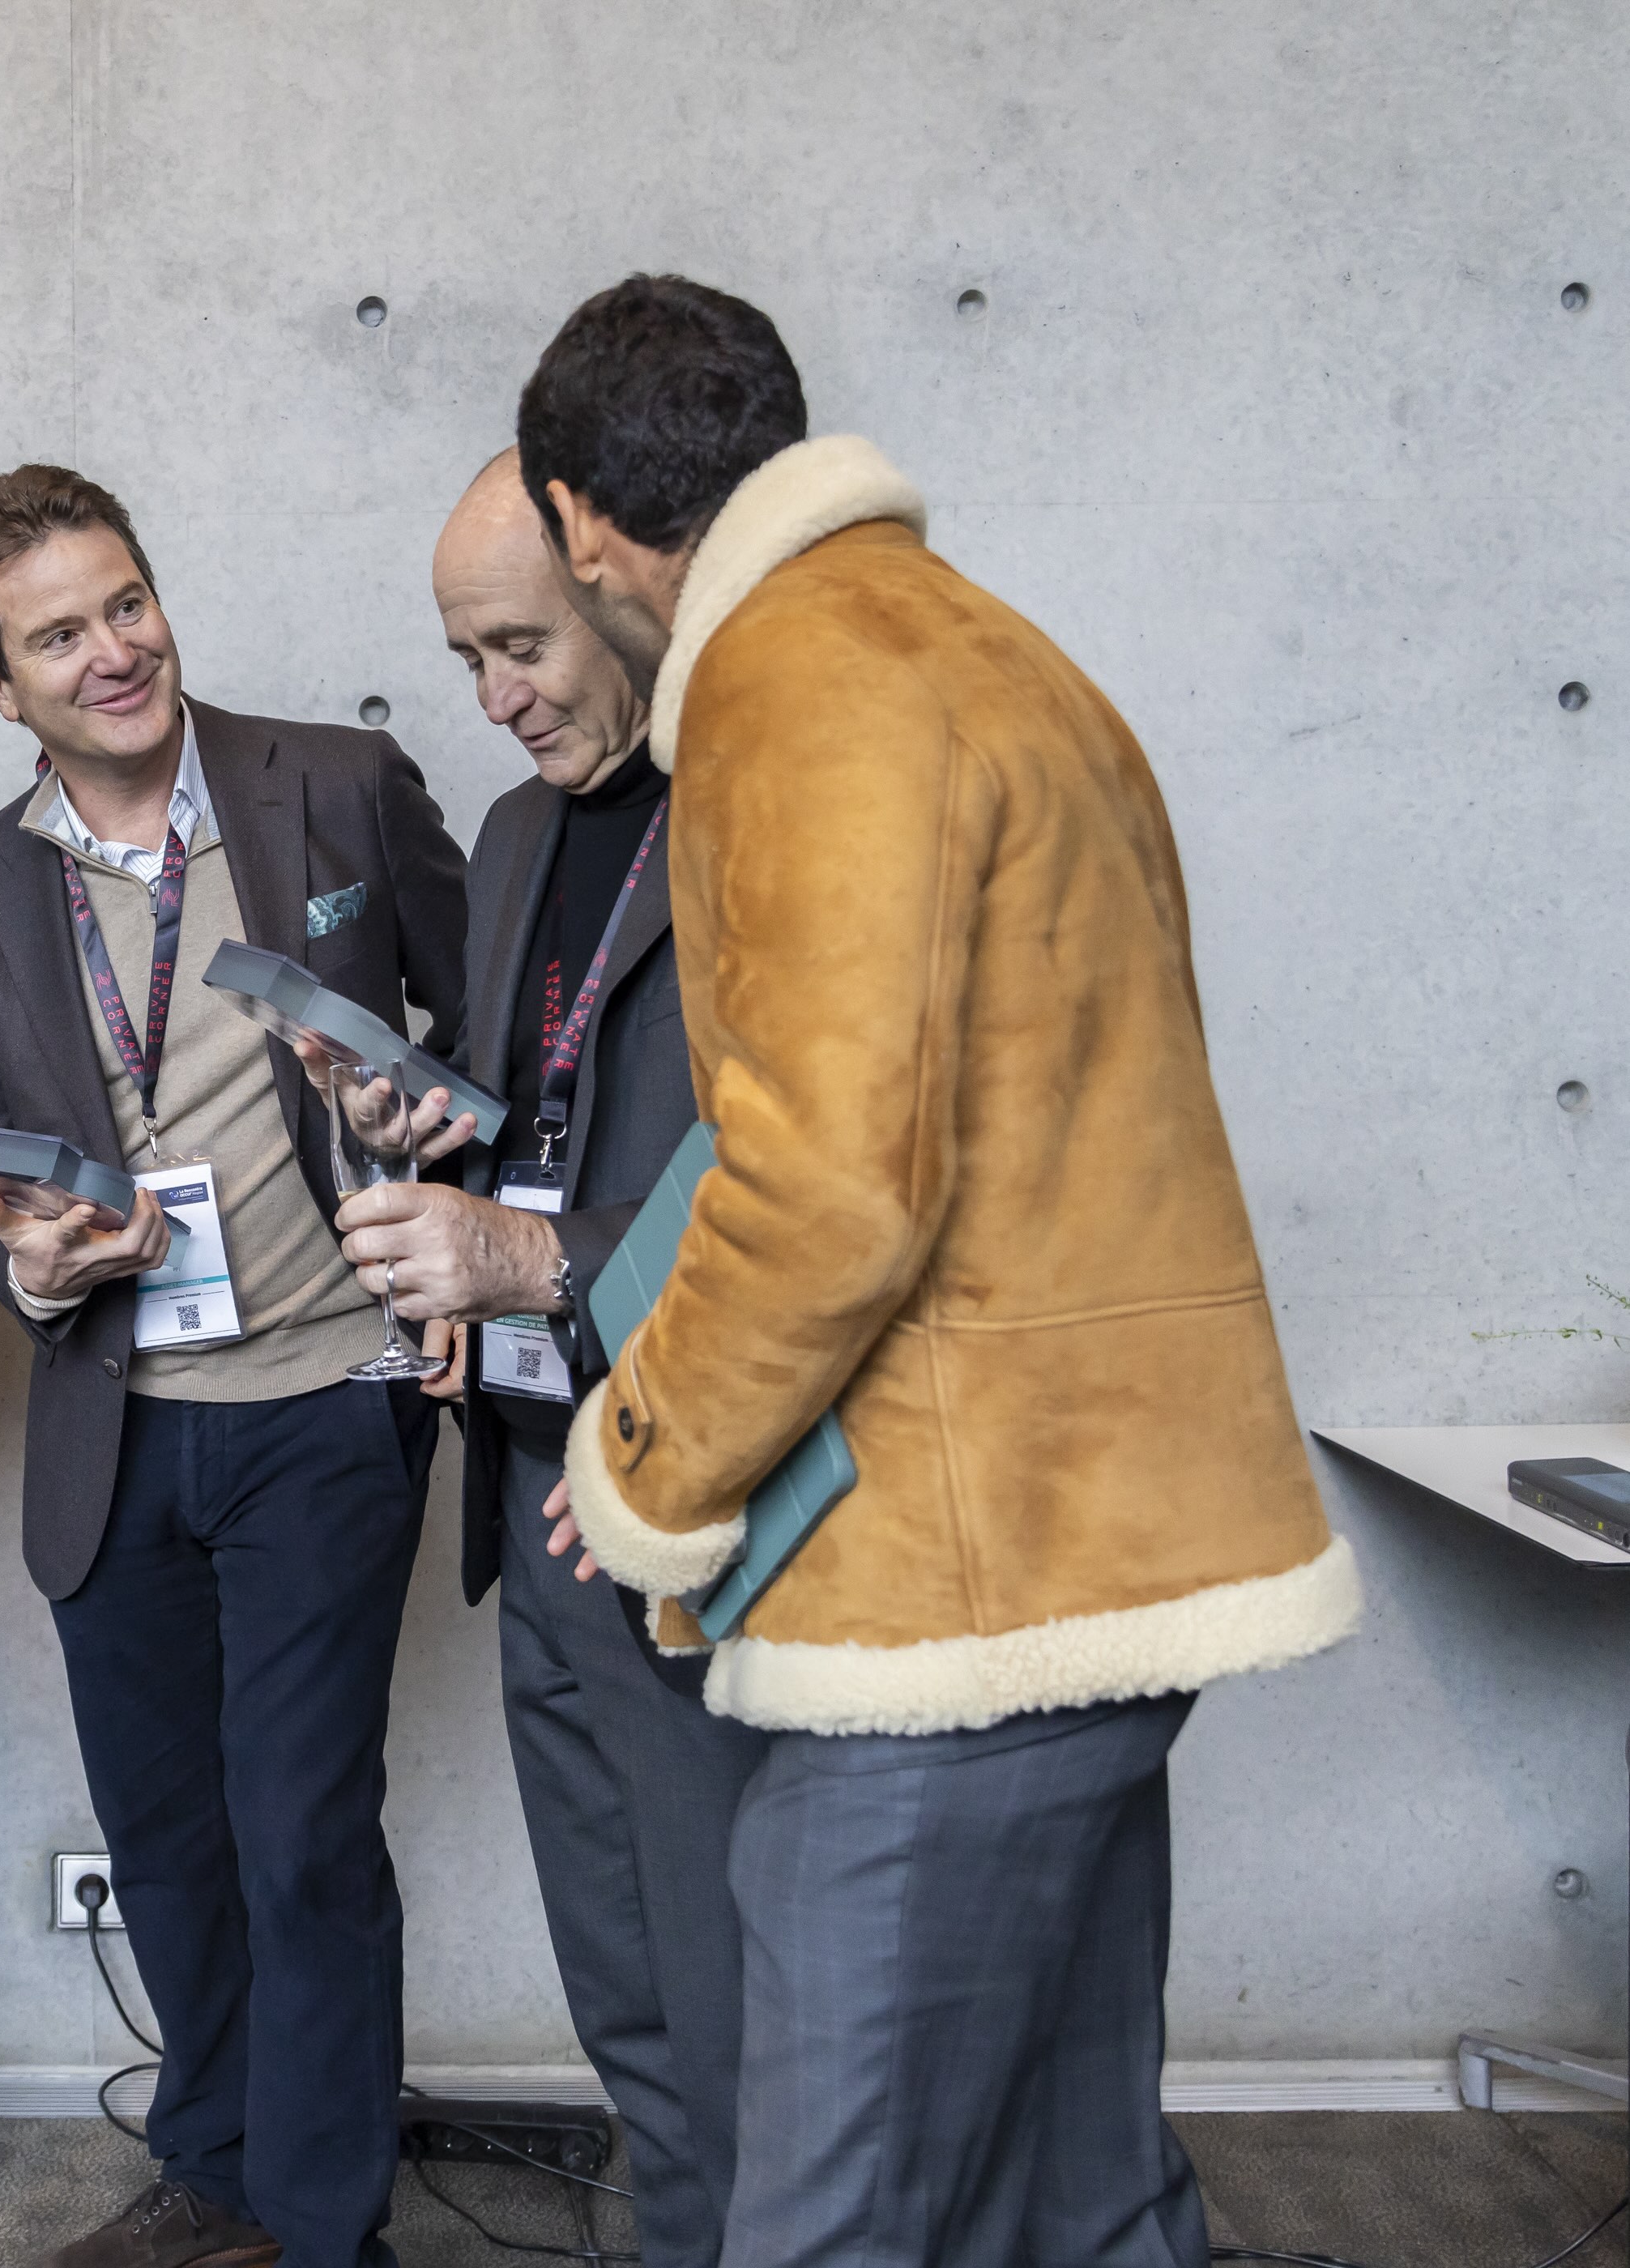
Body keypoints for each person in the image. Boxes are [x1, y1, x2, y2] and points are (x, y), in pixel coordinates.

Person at [442, 273, 1355, 2266]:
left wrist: (643, 1464)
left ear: (583, 521)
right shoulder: (998, 651)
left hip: (951, 1603)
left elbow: (823, 1186)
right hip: (1103, 1562)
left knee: (825, 2215)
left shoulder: (795, 676)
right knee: (1082, 2199)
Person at [0, 465, 470, 2268]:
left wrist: (436, 1130)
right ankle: (216, 2174)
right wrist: (23, 1254)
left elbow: (498, 1034)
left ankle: (320, 2225)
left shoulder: (338, 785)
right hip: (118, 1420)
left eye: (125, 602)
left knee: (300, 1831)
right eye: (56, 634)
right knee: (167, 1835)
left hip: (327, 1395)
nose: (112, 650)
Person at [335, 449, 763, 2266]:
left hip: (697, 1488)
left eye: (518, 647)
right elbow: (547, 1116)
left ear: (620, 592)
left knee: (736, 2000)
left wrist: (534, 1259)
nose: (493, 697)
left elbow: (802, 1177)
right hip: (528, 1483)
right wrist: (422, 1126)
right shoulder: (514, 833)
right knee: (628, 1999)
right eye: (465, 661)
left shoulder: (769, 802)